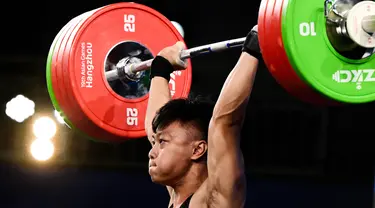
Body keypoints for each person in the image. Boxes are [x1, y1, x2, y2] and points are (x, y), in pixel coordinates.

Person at [145, 25, 261, 208]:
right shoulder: (178, 195)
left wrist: (254, 47)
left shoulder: (214, 199)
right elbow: (154, 128)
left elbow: (225, 122)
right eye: (157, 142)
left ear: (197, 149)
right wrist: (160, 69)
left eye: (163, 142)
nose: (152, 152)